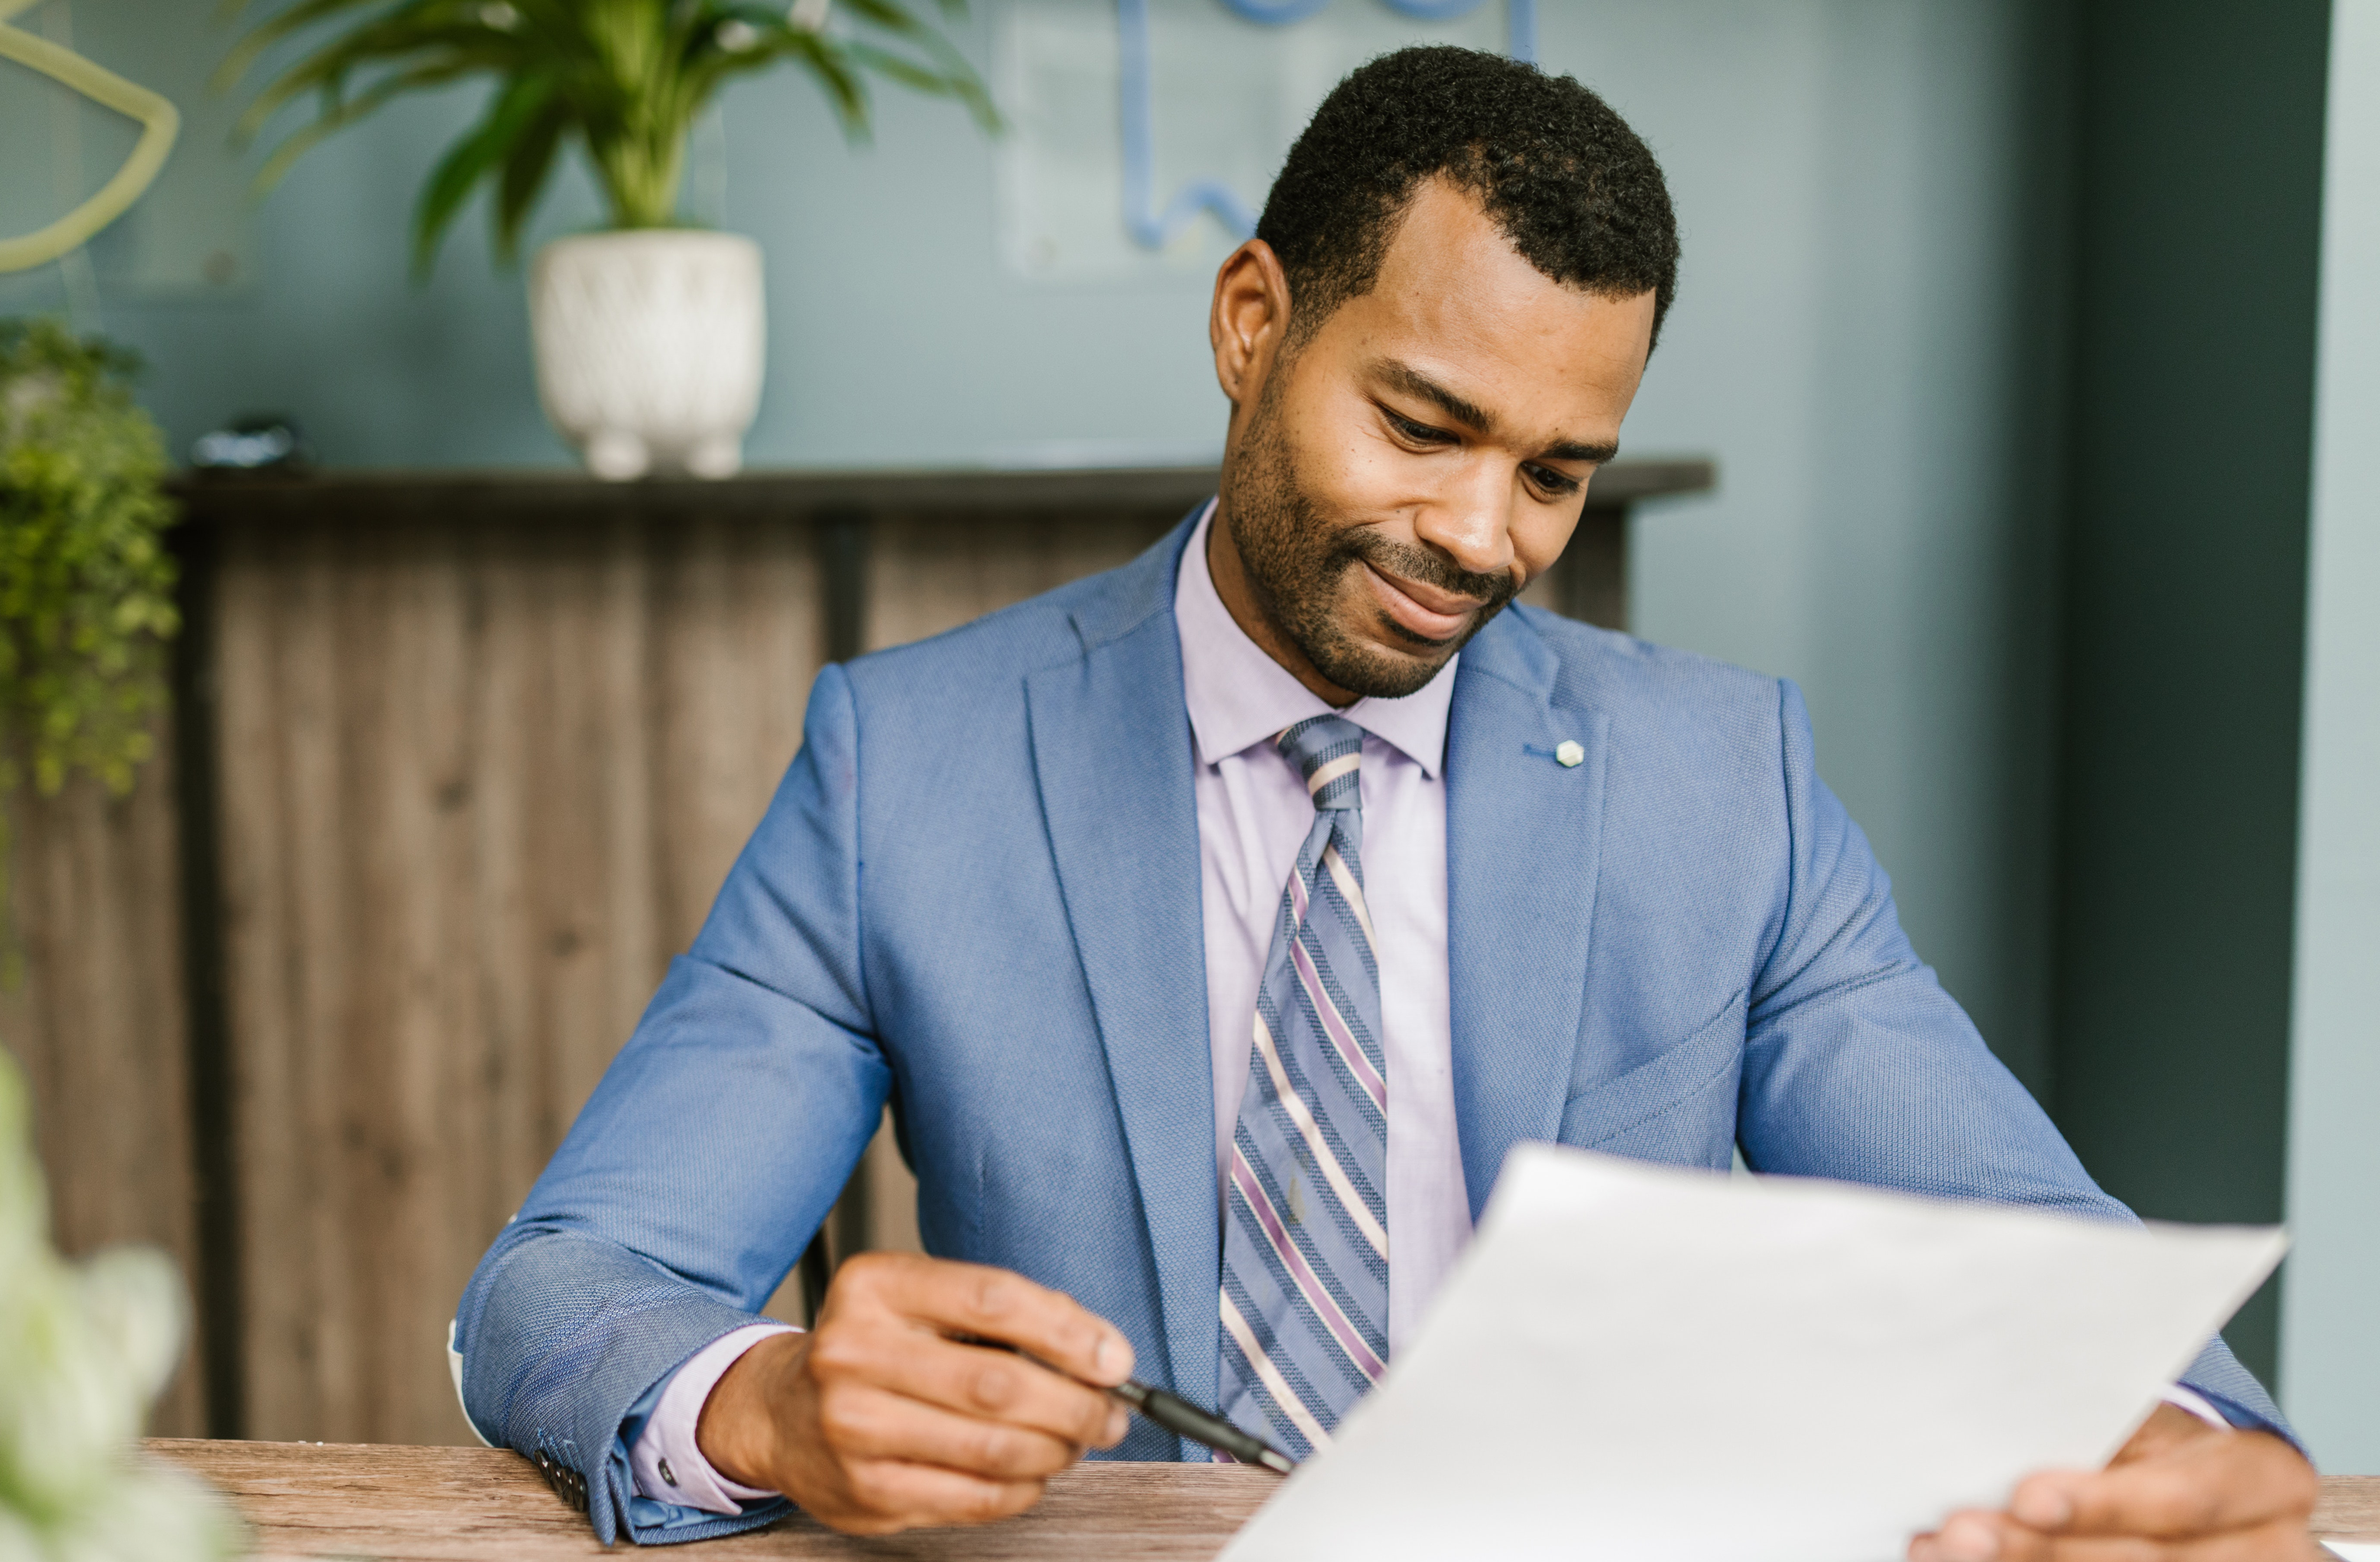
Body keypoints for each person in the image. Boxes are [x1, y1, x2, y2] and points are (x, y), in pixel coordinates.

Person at [453, 45, 2320, 1559]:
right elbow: (559, 1284)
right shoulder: (910, 765)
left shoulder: (1721, 782)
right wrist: (766, 1398)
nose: (1480, 537)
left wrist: (2188, 1439)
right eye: (1423, 424)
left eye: (1557, 473)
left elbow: (2041, 1249)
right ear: (1253, 320)